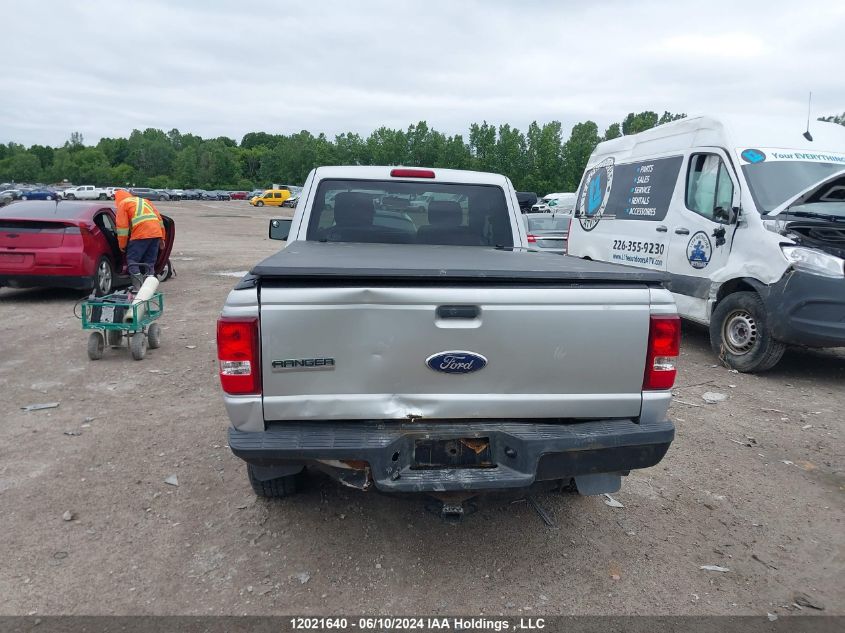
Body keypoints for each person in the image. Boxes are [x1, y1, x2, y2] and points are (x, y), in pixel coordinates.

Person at [114, 189, 166, 290]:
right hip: (156, 233)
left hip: (141, 234)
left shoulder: (123, 204)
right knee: (149, 263)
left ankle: (138, 288)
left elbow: (122, 228)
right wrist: (162, 238)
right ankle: (149, 289)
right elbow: (159, 220)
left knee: (133, 261)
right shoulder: (145, 201)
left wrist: (122, 245)